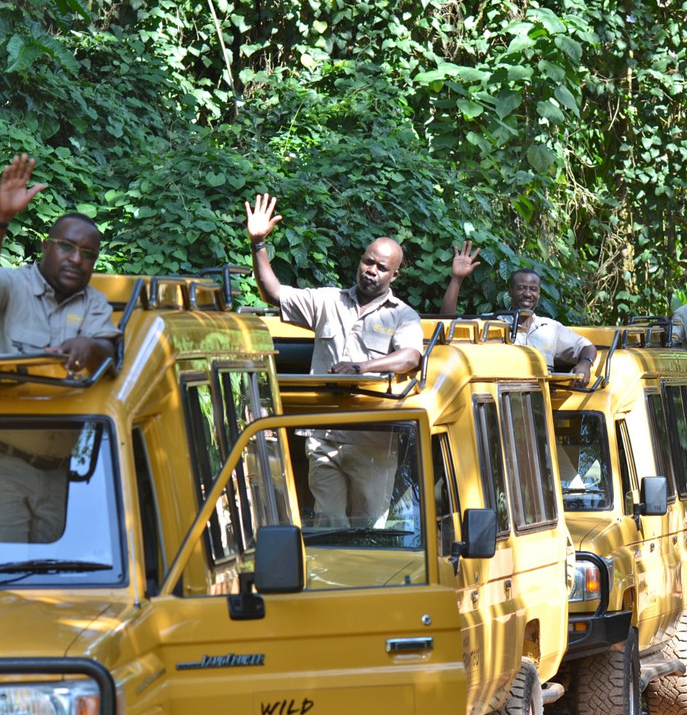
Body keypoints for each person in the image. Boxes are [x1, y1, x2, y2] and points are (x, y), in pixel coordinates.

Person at [0, 154, 120, 544]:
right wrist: (1, 218)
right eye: (67, 247)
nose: (77, 259)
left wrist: (87, 344)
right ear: (46, 247)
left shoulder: (93, 302)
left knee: (50, 581)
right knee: (8, 578)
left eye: (88, 254)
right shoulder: (12, 285)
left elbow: (107, 352)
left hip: (56, 474)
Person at [245, 193, 423, 528]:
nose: (371, 271)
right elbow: (273, 293)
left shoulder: (403, 315)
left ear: (394, 276)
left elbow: (411, 357)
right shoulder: (328, 301)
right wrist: (258, 244)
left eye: (381, 268)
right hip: (324, 437)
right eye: (368, 262)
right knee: (329, 525)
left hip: (372, 442)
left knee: (368, 529)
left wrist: (362, 368)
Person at [438, 243, 597, 385]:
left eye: (533, 289)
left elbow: (587, 347)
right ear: (510, 292)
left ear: (539, 294)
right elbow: (447, 325)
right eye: (521, 288)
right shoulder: (492, 323)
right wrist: (457, 279)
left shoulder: (550, 328)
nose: (527, 294)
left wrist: (585, 363)